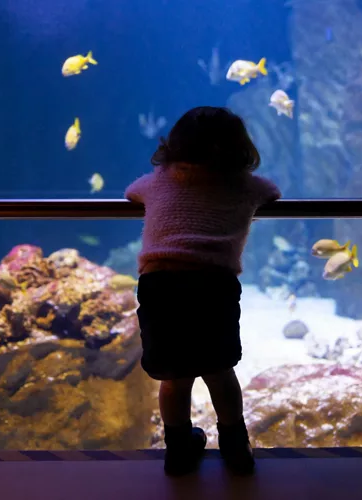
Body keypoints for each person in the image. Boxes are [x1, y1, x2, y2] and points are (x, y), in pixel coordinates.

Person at [124, 106, 281, 476]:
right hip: (213, 285)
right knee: (220, 371)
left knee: (174, 379)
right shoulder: (244, 185)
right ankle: (235, 447)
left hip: (161, 286)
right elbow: (272, 191)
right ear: (240, 148)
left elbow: (132, 191)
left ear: (172, 145)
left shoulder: (158, 181)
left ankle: (178, 450)